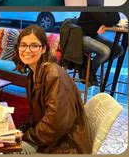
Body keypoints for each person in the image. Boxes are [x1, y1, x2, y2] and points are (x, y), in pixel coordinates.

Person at [13, 25, 92, 154]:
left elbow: (55, 125)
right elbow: (37, 115)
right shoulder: (33, 74)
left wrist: (26, 136)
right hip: (50, 141)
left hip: (64, 147)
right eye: (23, 45)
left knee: (6, 150)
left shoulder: (53, 74)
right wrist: (21, 130)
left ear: (43, 49)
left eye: (34, 45)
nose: (27, 50)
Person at [76, 12, 124, 86]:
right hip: (81, 36)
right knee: (106, 52)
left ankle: (89, 67)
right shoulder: (94, 6)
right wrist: (106, 22)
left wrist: (104, 23)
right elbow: (109, 22)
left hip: (93, 36)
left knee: (118, 50)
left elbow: (117, 19)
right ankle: (89, 75)